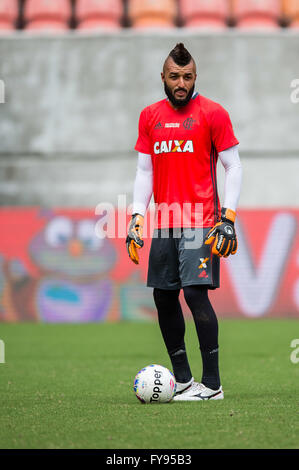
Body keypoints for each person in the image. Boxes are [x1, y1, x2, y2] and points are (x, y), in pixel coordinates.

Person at [126, 43, 242, 401]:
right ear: (162, 77)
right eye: (175, 76)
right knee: (163, 296)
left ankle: (212, 385)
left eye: (187, 77)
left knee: (193, 293)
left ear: (195, 78)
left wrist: (229, 218)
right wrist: (136, 215)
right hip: (165, 221)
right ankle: (184, 380)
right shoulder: (149, 116)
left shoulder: (213, 113)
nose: (181, 83)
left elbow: (233, 165)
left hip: (201, 219)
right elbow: (144, 171)